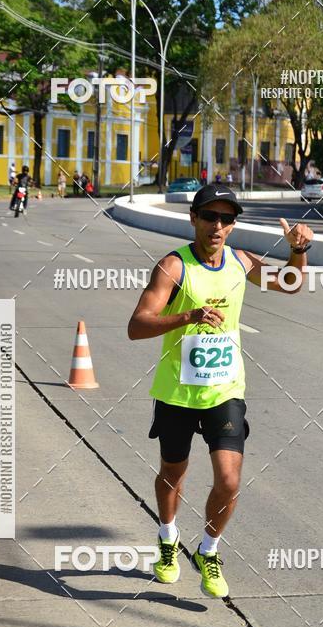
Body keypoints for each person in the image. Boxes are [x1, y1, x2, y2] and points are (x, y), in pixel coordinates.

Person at [128, 184, 313, 597]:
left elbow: (289, 283)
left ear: (233, 226)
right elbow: (136, 326)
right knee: (173, 472)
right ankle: (167, 538)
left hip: (225, 390)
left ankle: (208, 550)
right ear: (193, 218)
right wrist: (187, 316)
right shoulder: (173, 267)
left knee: (228, 481)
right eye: (210, 216)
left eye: (226, 219)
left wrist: (298, 251)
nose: (218, 225)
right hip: (177, 392)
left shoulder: (241, 261)